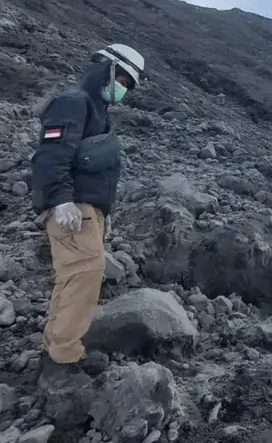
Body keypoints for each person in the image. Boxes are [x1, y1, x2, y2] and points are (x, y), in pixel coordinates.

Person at [30, 43, 146, 379]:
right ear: (105, 68)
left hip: (86, 210)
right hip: (71, 209)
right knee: (85, 274)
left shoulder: (97, 111)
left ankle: (55, 345)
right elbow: (52, 155)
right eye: (121, 77)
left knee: (74, 278)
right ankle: (63, 359)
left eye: (129, 83)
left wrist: (103, 211)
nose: (123, 87)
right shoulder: (73, 102)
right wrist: (60, 200)